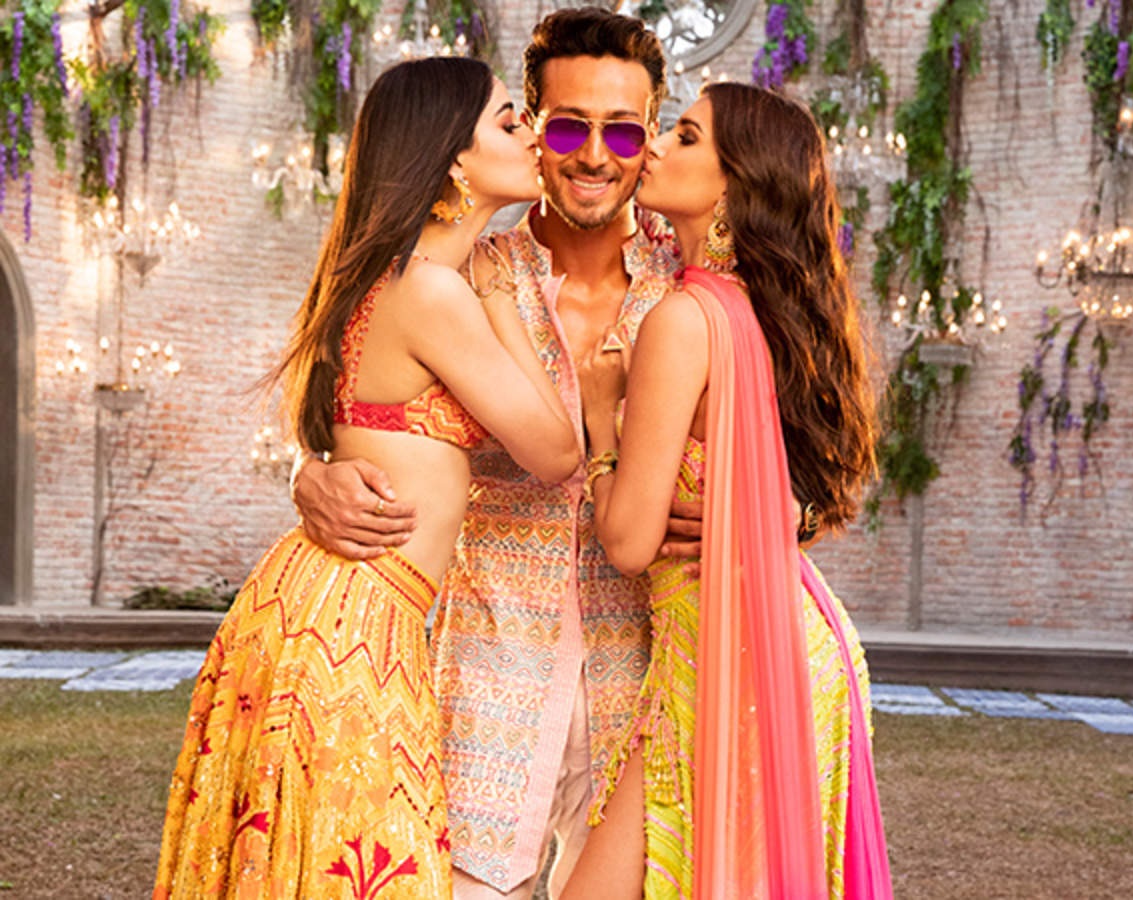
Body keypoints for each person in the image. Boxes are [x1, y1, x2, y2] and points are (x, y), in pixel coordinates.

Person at [153, 56, 579, 899]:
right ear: (453, 160)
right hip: (356, 624)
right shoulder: (432, 290)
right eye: (508, 120)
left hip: (320, 605)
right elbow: (555, 451)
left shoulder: (388, 276)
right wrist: (499, 297)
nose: (533, 134)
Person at [291, 10, 685, 898]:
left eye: (624, 131)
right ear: (533, 128)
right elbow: (346, 392)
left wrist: (792, 513)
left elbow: (798, 451)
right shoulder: (462, 268)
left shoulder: (693, 287)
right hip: (482, 676)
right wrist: (306, 471)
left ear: (651, 136)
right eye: (568, 127)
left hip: (645, 677)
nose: (595, 156)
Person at [562, 84, 893, 899]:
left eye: (684, 136)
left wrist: (600, 422)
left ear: (735, 181)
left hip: (728, 658)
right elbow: (800, 484)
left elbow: (630, 542)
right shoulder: (769, 314)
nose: (654, 146)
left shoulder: (684, 320)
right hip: (791, 640)